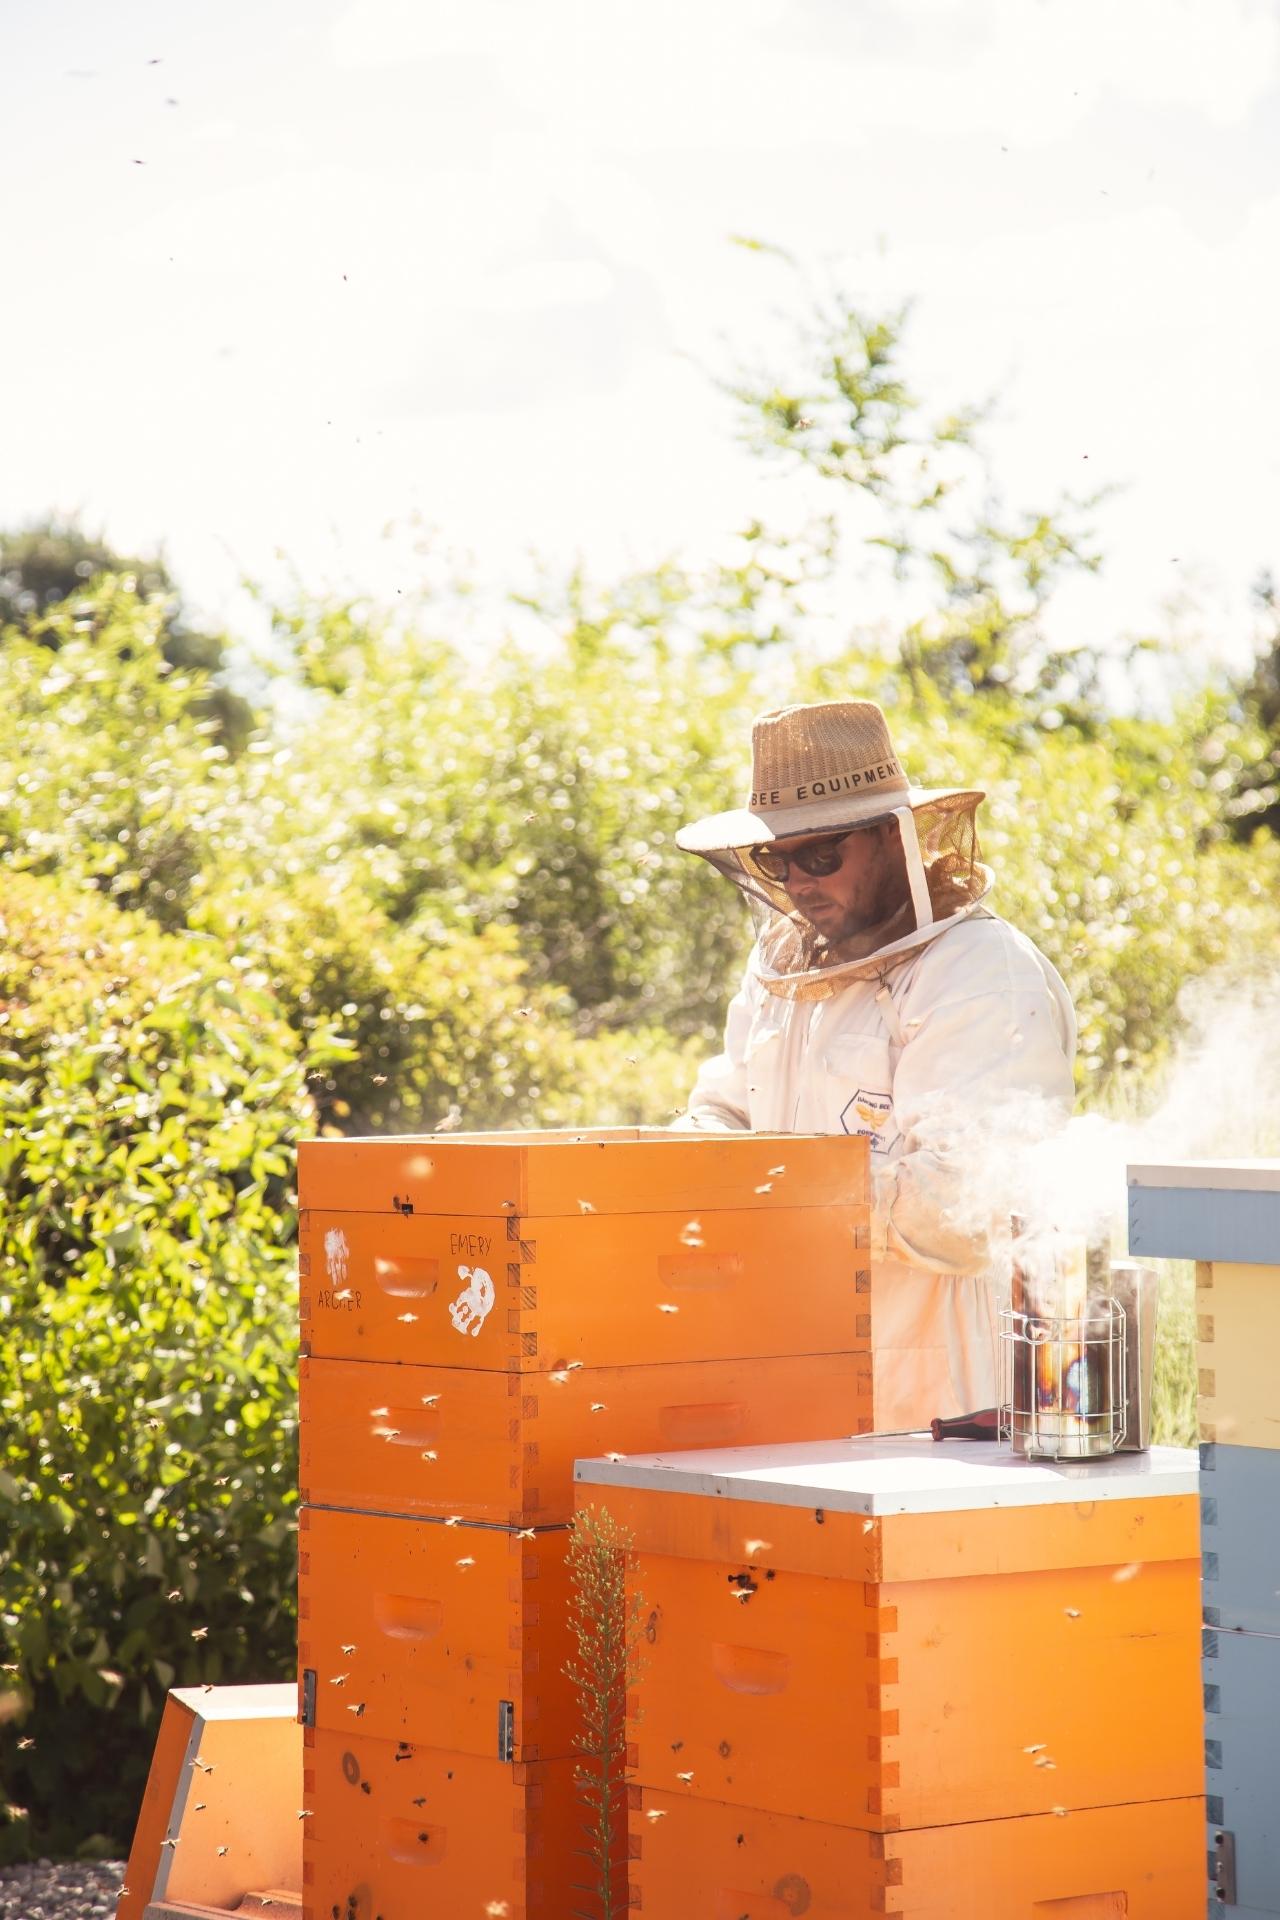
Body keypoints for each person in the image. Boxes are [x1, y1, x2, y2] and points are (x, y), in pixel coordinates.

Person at [675, 697, 1076, 1428]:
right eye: (776, 858)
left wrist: (778, 1189)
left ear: (893, 838)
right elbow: (728, 1104)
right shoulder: (781, 967)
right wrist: (680, 1157)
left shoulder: (979, 972)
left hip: (944, 1386)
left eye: (821, 854)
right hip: (793, 1362)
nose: (797, 882)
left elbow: (964, 1206)